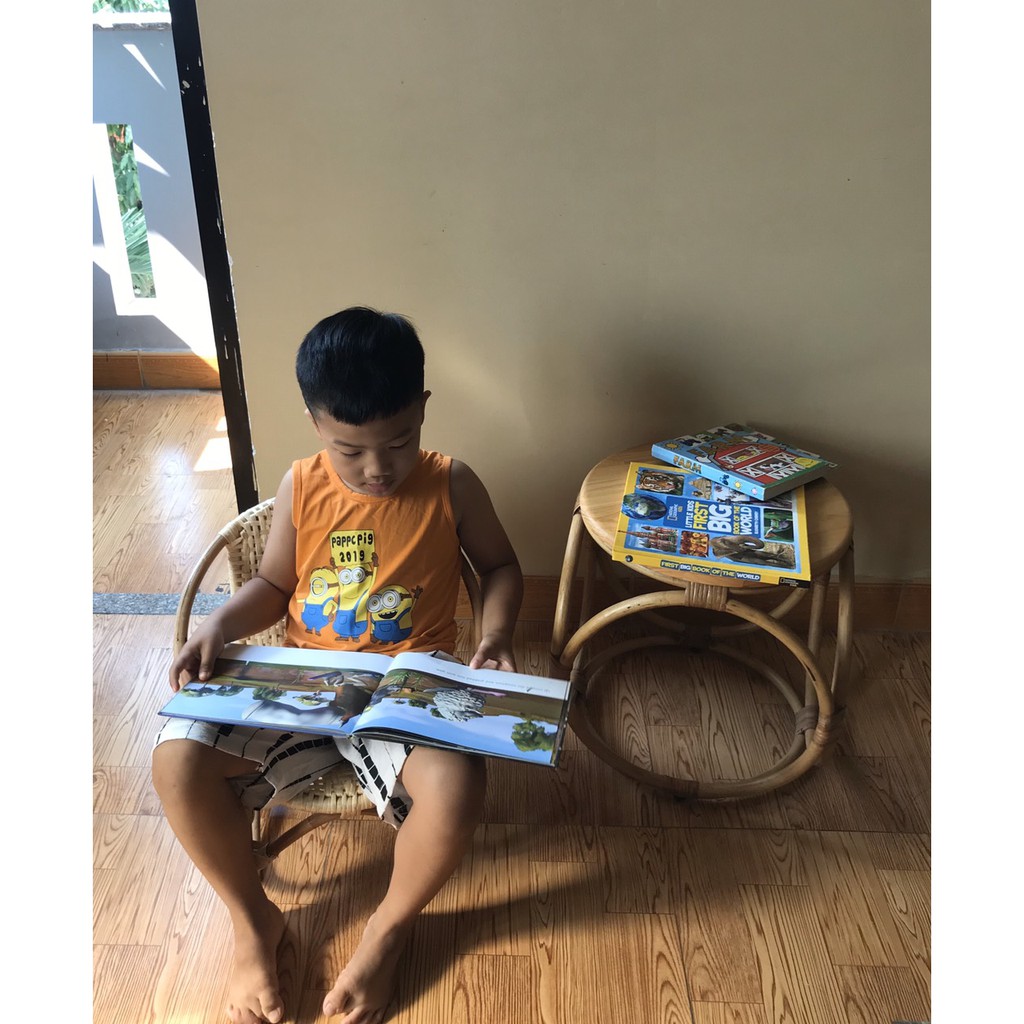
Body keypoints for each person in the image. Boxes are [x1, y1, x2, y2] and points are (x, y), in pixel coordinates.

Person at [152, 307, 524, 1024]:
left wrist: (498, 632)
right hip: (303, 684)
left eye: (399, 442)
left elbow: (502, 567)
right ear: (316, 424)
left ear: (422, 408)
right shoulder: (302, 484)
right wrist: (217, 625)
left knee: (457, 788)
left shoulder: (453, 484)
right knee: (175, 763)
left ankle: (387, 932)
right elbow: (273, 585)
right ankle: (252, 921)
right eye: (350, 450)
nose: (377, 468)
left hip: (410, 686)